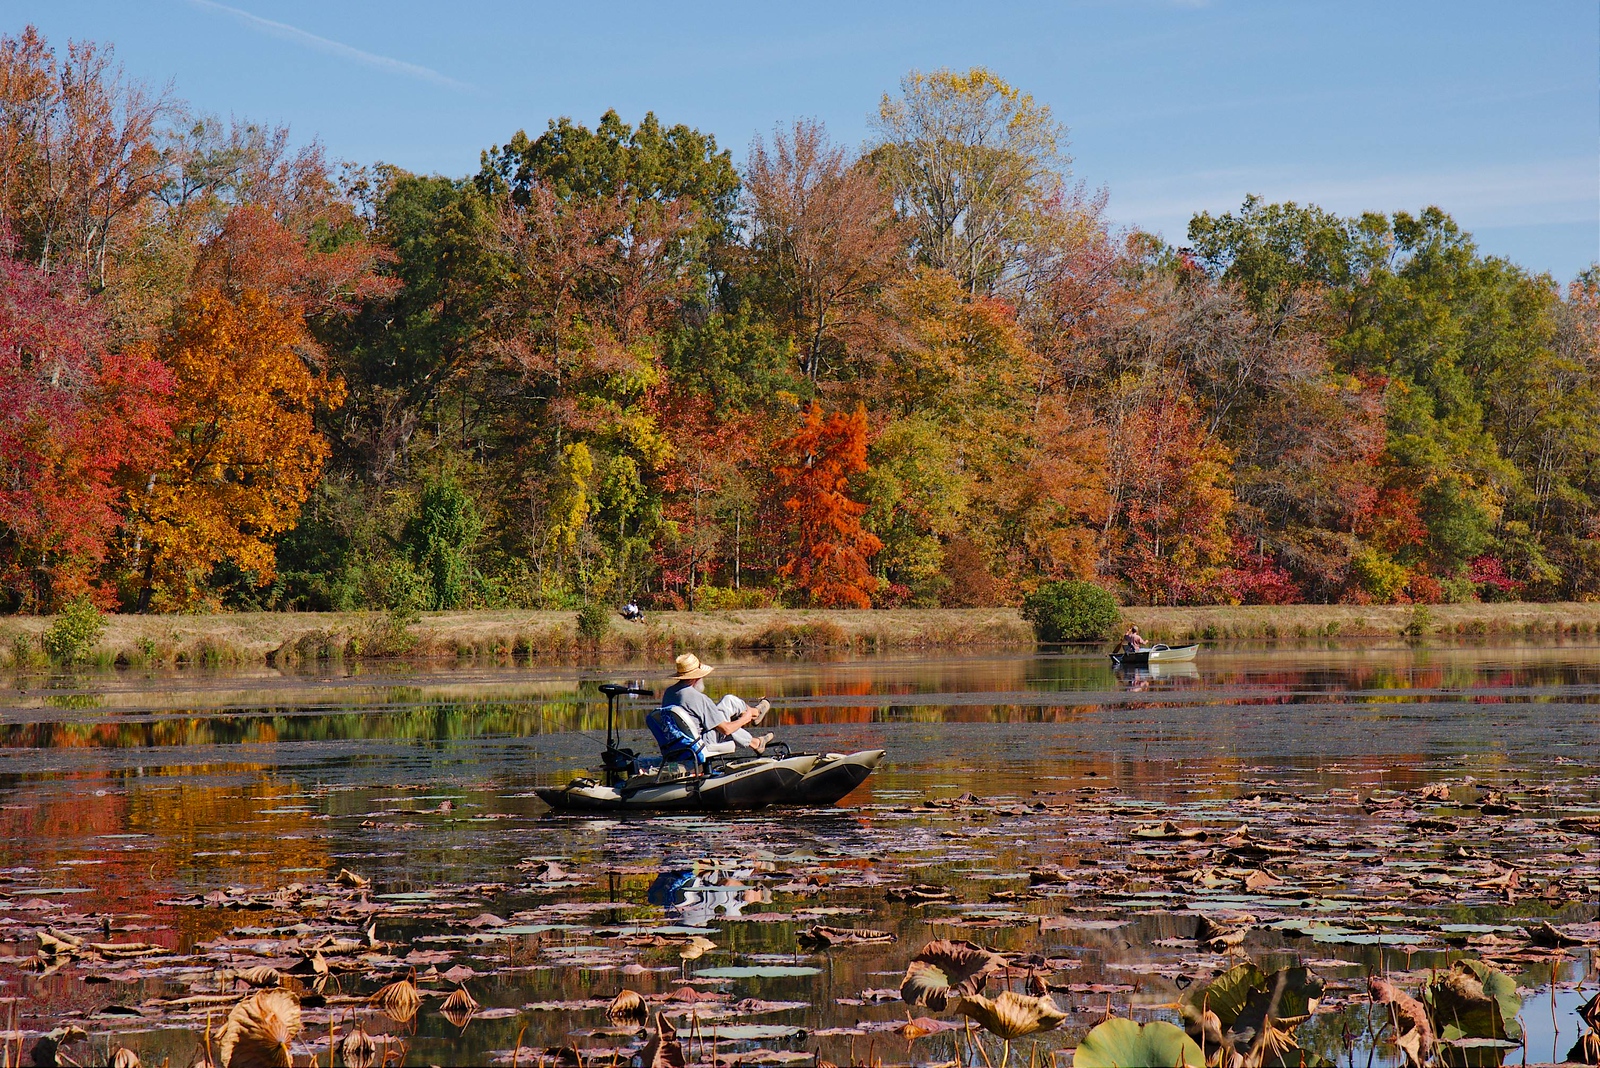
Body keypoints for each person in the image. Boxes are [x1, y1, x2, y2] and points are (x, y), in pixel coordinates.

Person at [660, 653, 775, 755]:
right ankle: (754, 718)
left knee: (729, 700)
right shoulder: (698, 698)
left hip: (676, 745)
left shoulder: (669, 693)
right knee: (723, 723)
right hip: (700, 745)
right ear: (697, 677)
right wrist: (745, 719)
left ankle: (756, 718)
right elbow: (726, 730)